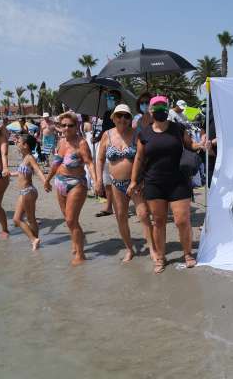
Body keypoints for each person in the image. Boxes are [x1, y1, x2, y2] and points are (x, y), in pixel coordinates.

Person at [128, 96, 206, 273]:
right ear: (150, 110)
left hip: (178, 181)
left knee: (182, 220)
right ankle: (161, 257)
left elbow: (190, 144)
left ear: (168, 108)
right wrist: (133, 181)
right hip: (154, 182)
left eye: (163, 106)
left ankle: (187, 253)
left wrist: (200, 144)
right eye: (156, 107)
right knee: (159, 221)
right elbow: (139, 158)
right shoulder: (144, 133)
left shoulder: (178, 129)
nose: (160, 110)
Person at [95, 104, 156, 262]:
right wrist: (98, 180)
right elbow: (100, 159)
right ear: (113, 118)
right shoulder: (106, 135)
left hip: (136, 183)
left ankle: (153, 249)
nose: (123, 119)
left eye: (126, 116)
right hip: (116, 184)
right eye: (119, 115)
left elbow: (146, 158)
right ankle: (129, 249)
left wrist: (141, 180)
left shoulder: (138, 134)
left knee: (143, 215)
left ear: (130, 119)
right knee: (121, 217)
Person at [45, 111, 96, 265]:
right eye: (63, 125)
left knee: (70, 219)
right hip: (60, 182)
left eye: (70, 125)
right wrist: (47, 180)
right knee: (70, 221)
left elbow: (89, 163)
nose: (66, 128)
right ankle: (77, 241)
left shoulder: (81, 143)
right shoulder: (61, 142)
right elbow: (55, 164)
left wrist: (96, 181)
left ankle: (80, 255)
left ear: (77, 126)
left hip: (76, 183)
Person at [13, 134, 46, 251]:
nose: (17, 144)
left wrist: (45, 182)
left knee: (29, 219)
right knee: (17, 219)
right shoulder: (25, 158)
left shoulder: (30, 158)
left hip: (28, 191)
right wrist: (11, 174)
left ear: (25, 145)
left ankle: (34, 240)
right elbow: (22, 173)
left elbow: (37, 170)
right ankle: (35, 240)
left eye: (19, 142)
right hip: (25, 192)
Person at [93, 89, 120, 217]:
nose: (109, 100)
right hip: (107, 148)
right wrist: (97, 138)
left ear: (118, 100)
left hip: (119, 149)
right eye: (108, 98)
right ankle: (109, 206)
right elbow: (104, 131)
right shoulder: (106, 113)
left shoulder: (122, 113)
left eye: (112, 98)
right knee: (107, 180)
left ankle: (122, 205)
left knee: (121, 179)